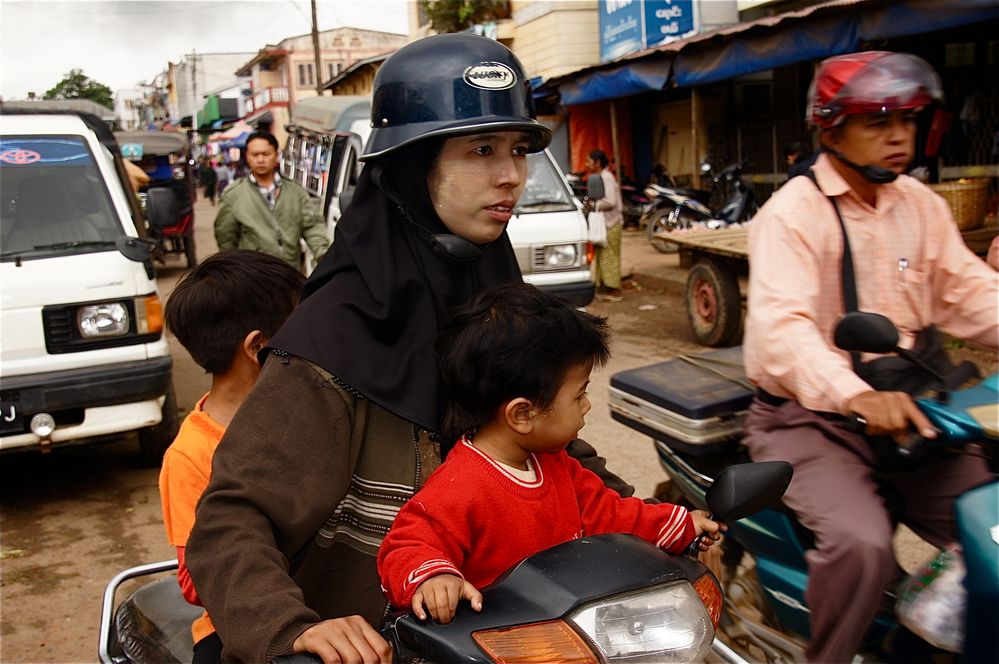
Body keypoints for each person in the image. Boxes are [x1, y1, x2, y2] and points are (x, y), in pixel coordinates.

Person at [185, 34, 634, 664]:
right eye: (481, 150)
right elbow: (231, 519)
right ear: (410, 167)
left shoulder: (498, 297)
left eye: (517, 150)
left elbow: (554, 441)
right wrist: (291, 628)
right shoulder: (332, 337)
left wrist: (649, 524)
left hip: (515, 635)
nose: (510, 175)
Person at [743, 51, 998, 663]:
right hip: (811, 421)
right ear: (830, 128)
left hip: (911, 412)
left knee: (990, 528)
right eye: (878, 121)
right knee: (863, 545)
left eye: (908, 120)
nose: (898, 136)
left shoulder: (921, 205)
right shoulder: (792, 215)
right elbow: (783, 332)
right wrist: (854, 394)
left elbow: (968, 293)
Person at [377, 283, 723, 623]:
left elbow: (610, 513)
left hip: (567, 632)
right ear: (522, 414)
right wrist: (434, 578)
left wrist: (679, 524)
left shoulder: (557, 465)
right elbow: (406, 545)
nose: (587, 406)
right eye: (578, 395)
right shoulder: (461, 485)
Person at [158, 250, 305, 663]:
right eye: (301, 329)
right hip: (239, 624)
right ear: (257, 347)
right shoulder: (190, 455)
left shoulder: (304, 415)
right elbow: (196, 580)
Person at [213, 131, 329, 268]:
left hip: (289, 273)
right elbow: (226, 238)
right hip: (253, 275)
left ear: (276, 155)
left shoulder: (296, 192)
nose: (260, 160)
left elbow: (313, 228)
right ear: (247, 157)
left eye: (266, 154)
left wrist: (325, 258)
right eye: (255, 155)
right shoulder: (233, 195)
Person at [585, 149, 624, 302]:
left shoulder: (606, 177)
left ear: (598, 163)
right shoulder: (600, 176)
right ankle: (604, 287)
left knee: (610, 256)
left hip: (611, 222)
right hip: (605, 222)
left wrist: (594, 205)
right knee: (602, 255)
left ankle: (615, 290)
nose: (587, 164)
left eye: (589, 161)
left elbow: (611, 201)